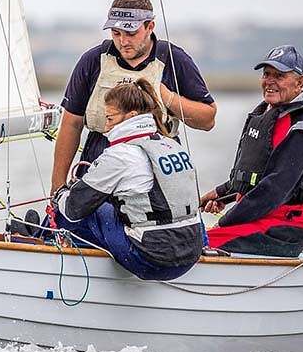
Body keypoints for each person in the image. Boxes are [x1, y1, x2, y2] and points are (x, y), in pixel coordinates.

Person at [51, 0, 216, 196]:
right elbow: (71, 123)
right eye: (116, 33)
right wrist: (57, 187)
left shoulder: (174, 59)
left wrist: (169, 98)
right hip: (101, 156)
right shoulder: (93, 60)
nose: (123, 41)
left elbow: (208, 119)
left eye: (131, 33)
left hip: (156, 161)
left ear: (150, 26)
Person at [50, 79, 204, 281]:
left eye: (110, 119)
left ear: (131, 116)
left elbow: (73, 208)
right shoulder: (171, 145)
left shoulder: (119, 155)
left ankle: (51, 245)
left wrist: (59, 194)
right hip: (190, 254)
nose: (105, 128)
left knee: (80, 209)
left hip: (151, 261)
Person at [200, 45, 303, 257]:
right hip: (261, 217)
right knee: (194, 238)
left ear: (300, 82)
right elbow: (257, 173)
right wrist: (222, 194)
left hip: (284, 229)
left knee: (194, 243)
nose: (270, 81)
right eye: (266, 74)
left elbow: (274, 189)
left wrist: (225, 221)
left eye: (279, 75)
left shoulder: (302, 127)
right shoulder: (270, 114)